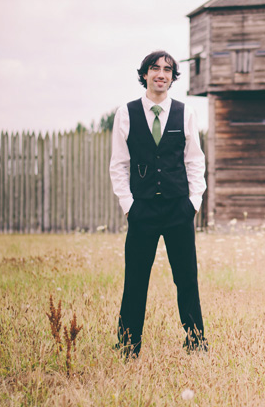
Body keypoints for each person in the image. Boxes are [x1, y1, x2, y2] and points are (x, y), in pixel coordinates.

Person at [109, 50, 207, 358]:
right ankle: (128, 345)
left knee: (186, 278)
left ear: (173, 77)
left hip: (179, 208)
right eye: (155, 68)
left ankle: (196, 341)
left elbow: (195, 161)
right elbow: (118, 164)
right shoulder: (126, 113)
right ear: (145, 74)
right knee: (136, 279)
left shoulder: (185, 112)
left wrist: (193, 202)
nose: (161, 74)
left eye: (167, 69)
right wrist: (129, 205)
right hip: (143, 210)